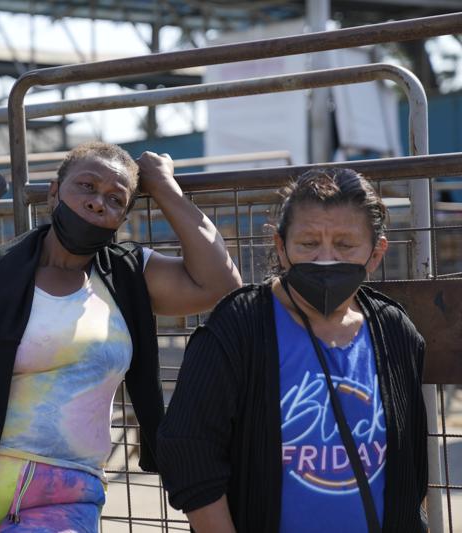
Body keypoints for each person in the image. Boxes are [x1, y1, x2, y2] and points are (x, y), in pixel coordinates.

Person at [0, 142, 243, 532]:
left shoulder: (127, 276)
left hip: (66, 493)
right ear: (54, 192)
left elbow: (222, 282)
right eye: (87, 187)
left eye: (115, 199)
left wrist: (162, 185)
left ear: (121, 218)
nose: (97, 203)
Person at [157, 168, 428, 533]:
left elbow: (411, 464)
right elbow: (189, 450)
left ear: (376, 253)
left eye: (346, 245)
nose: (326, 258)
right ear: (281, 247)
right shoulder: (239, 326)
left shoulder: (395, 331)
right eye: (308, 243)